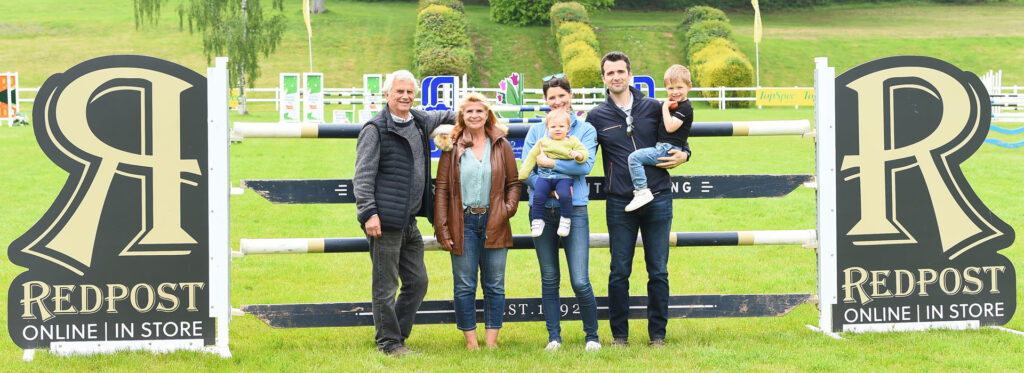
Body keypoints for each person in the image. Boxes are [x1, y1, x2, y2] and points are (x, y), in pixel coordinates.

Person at [587, 52, 691, 348]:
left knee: (658, 269)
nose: (616, 77)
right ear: (604, 78)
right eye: (610, 73)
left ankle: (658, 335)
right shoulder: (596, 116)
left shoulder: (655, 107)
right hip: (620, 202)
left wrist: (686, 155)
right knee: (619, 270)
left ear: (630, 74)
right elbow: (580, 153)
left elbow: (679, 139)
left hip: (658, 197)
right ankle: (620, 336)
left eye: (621, 71)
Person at [353, 69, 456, 357]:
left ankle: (396, 335)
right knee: (385, 286)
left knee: (418, 282)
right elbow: (362, 177)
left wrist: (476, 113)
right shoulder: (375, 129)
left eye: (410, 92)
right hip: (384, 220)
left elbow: (453, 115)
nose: (405, 96)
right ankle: (389, 344)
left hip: (409, 220)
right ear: (387, 94)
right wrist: (368, 213)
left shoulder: (421, 121)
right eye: (399, 91)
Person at [434, 93, 521, 350]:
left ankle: (491, 343)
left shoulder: (501, 144)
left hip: (495, 221)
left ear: (487, 114)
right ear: (462, 116)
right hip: (463, 223)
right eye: (469, 111)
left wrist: (507, 210)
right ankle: (471, 343)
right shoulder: (452, 146)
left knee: (495, 285)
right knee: (464, 285)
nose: (474, 115)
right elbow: (441, 189)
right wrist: (442, 228)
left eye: (479, 111)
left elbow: (514, 184)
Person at [521, 74, 601, 351]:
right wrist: (546, 185)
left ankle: (592, 336)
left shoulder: (586, 130)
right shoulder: (536, 131)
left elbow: (584, 167)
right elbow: (527, 169)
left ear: (570, 96)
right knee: (549, 278)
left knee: (580, 279)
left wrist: (550, 165)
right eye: (551, 98)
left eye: (561, 96)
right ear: (546, 101)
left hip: (574, 209)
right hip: (542, 210)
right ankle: (554, 337)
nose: (557, 102)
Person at [624, 64, 694, 211]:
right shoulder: (674, 105)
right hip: (664, 146)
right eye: (671, 88)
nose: (675, 92)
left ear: (689, 86)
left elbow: (670, 127)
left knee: (634, 158)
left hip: (667, 148)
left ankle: (642, 191)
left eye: (679, 87)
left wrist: (664, 107)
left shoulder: (685, 107)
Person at [518, 109, 588, 238]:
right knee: (538, 195)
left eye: (561, 126)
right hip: (544, 177)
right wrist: (523, 173)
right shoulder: (542, 142)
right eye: (553, 126)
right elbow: (531, 157)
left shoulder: (572, 141)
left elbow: (584, 153)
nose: (557, 129)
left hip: (563, 177)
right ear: (547, 128)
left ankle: (565, 220)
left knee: (565, 195)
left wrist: (578, 155)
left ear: (568, 128)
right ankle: (537, 221)